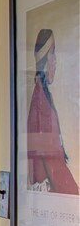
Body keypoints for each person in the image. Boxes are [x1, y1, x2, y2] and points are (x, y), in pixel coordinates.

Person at [26, 28, 79, 194]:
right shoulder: (42, 104)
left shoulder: (42, 97)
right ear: (44, 59)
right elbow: (53, 162)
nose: (55, 61)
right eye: (52, 53)